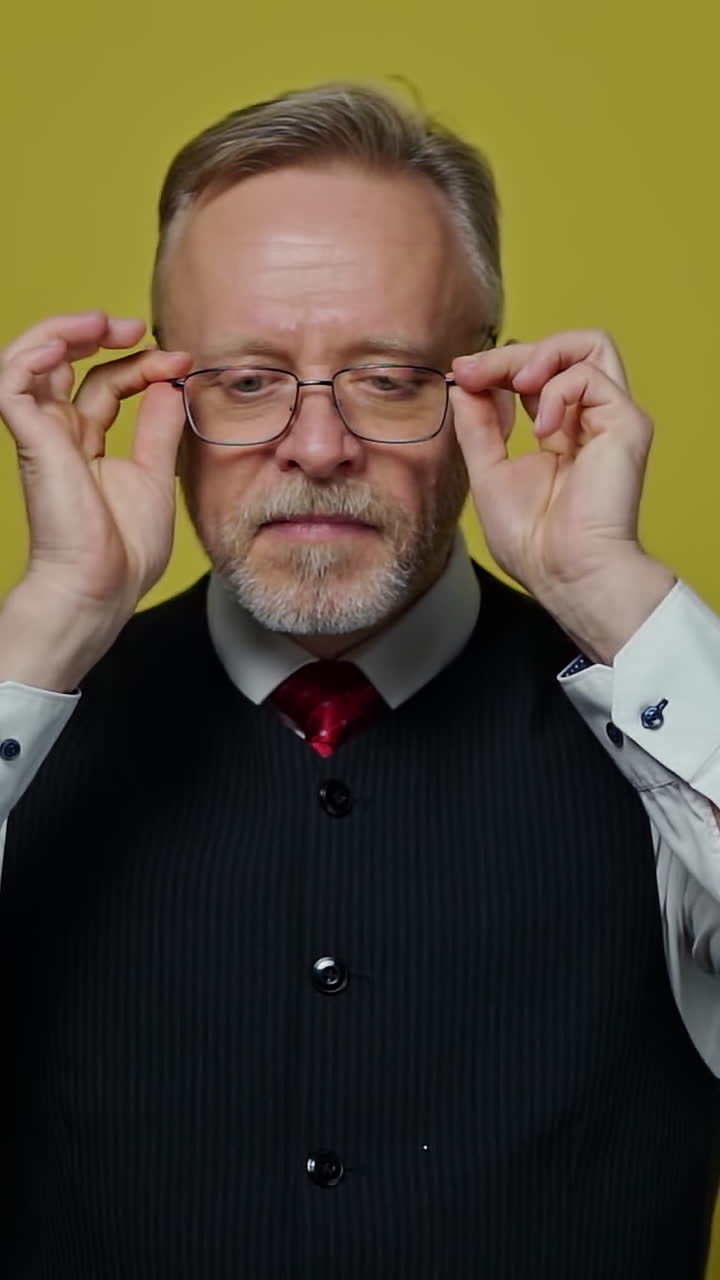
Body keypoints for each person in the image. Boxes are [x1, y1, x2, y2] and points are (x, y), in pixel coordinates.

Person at [0, 82, 719, 1280]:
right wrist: (46, 625)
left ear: (487, 390)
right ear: (160, 404)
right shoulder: (30, 727)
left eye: (388, 376)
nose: (320, 445)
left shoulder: (665, 746)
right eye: (244, 379)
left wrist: (616, 600)